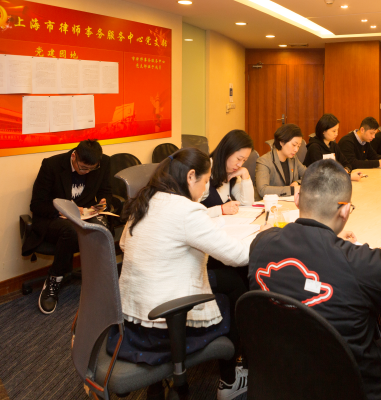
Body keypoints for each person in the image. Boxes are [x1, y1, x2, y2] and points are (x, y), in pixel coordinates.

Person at [249, 159, 381, 400]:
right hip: (350, 389)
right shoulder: (358, 262)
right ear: (345, 210)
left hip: (279, 379)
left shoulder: (261, 243)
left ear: (297, 199)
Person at [110, 148, 254, 400]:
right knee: (236, 289)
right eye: (205, 180)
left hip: (131, 321)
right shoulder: (186, 211)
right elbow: (238, 256)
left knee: (229, 281)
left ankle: (159, 383)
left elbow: (124, 244)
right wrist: (267, 240)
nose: (206, 188)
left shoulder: (146, 199)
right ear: (190, 176)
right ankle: (229, 380)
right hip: (164, 325)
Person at [22, 139, 113, 315]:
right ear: (74, 157)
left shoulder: (104, 163)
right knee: (70, 231)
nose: (87, 172)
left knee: (102, 229)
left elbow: (106, 192)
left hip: (84, 215)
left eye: (92, 169)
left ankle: (99, 280)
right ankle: (54, 280)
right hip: (54, 218)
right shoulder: (52, 165)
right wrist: (64, 211)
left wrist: (102, 204)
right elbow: (37, 204)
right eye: (83, 168)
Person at [200, 129, 255, 217]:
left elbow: (247, 204)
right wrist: (221, 209)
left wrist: (245, 173)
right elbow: (190, 213)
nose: (240, 164)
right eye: (239, 159)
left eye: (244, 160)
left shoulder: (232, 172)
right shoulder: (204, 170)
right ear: (226, 152)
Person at [303, 113, 363, 181]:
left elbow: (347, 164)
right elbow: (322, 173)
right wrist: (347, 176)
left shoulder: (334, 146)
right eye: (333, 131)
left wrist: (346, 170)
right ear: (323, 131)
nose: (336, 133)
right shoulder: (314, 147)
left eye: (337, 130)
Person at [255, 123, 307, 198]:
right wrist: (292, 190)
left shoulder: (293, 158)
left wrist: (297, 182)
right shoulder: (264, 161)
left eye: (298, 146)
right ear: (282, 142)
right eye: (294, 145)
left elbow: (310, 175)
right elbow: (263, 190)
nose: (296, 150)